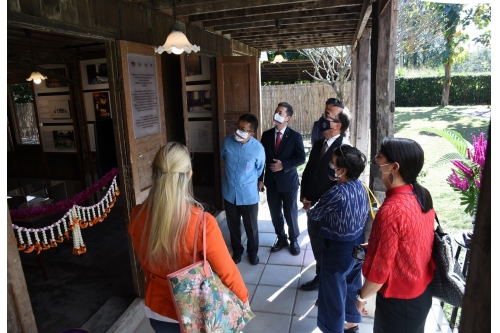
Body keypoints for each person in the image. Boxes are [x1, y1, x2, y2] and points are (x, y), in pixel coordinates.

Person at [128, 142, 249, 333]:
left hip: (157, 310)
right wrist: (243, 298)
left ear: (154, 173)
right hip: (194, 312)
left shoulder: (136, 215)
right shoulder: (202, 222)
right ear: (189, 175)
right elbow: (227, 271)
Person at [355, 138, 436, 333]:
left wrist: (360, 298)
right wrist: (375, 245)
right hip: (420, 293)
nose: (375, 160)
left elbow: (380, 273)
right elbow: (411, 241)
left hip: (400, 304)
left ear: (394, 167)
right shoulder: (421, 194)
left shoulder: (392, 210)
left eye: (380, 156)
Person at [308, 145, 369, 333]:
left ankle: (333, 329)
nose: (330, 166)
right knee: (352, 283)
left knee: (332, 293)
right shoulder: (361, 186)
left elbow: (315, 214)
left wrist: (310, 207)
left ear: (342, 170)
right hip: (359, 245)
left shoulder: (336, 193)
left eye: (332, 163)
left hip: (338, 249)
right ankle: (351, 322)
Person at [299, 97, 351, 292]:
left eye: (327, 116)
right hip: (311, 208)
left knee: (328, 250)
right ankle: (320, 277)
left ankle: (327, 287)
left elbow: (340, 186)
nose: (323, 118)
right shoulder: (320, 144)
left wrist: (319, 205)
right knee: (317, 246)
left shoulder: (344, 150)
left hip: (328, 213)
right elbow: (308, 173)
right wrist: (304, 198)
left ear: (338, 125)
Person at [258, 102, 306, 256]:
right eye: (276, 111)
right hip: (271, 182)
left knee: (290, 213)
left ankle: (294, 240)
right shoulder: (266, 135)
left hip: (288, 182)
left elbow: (301, 158)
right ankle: (281, 237)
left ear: (288, 118)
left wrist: (283, 165)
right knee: (274, 212)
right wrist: (260, 179)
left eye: (281, 112)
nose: (277, 114)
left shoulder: (295, 136)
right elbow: (260, 160)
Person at [221, 113, 265, 266]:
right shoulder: (227, 142)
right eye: (238, 127)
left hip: (248, 194)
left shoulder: (258, 149)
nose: (238, 131)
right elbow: (224, 158)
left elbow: (259, 169)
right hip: (229, 192)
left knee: (251, 226)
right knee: (233, 225)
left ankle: (253, 253)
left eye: (243, 129)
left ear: (251, 133)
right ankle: (237, 252)